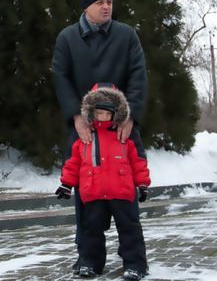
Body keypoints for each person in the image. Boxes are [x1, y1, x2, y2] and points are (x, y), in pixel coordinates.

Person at [51, 0, 148, 271]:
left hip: (121, 127)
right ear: (86, 7)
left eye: (109, 1)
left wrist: (129, 116)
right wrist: (76, 116)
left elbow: (138, 75)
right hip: (85, 128)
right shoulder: (68, 38)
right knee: (87, 199)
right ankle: (88, 259)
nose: (106, 6)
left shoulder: (126, 35)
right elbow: (60, 77)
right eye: (100, 2)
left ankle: (134, 260)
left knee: (125, 199)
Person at [56, 84, 150, 280]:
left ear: (116, 112)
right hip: (93, 191)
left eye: (107, 113)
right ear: (91, 112)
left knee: (130, 229)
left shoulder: (126, 133)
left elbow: (138, 161)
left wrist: (142, 183)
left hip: (122, 191)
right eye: (98, 113)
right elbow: (73, 162)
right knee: (91, 230)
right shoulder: (84, 134)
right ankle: (90, 263)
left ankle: (135, 264)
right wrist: (66, 184)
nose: (102, 117)